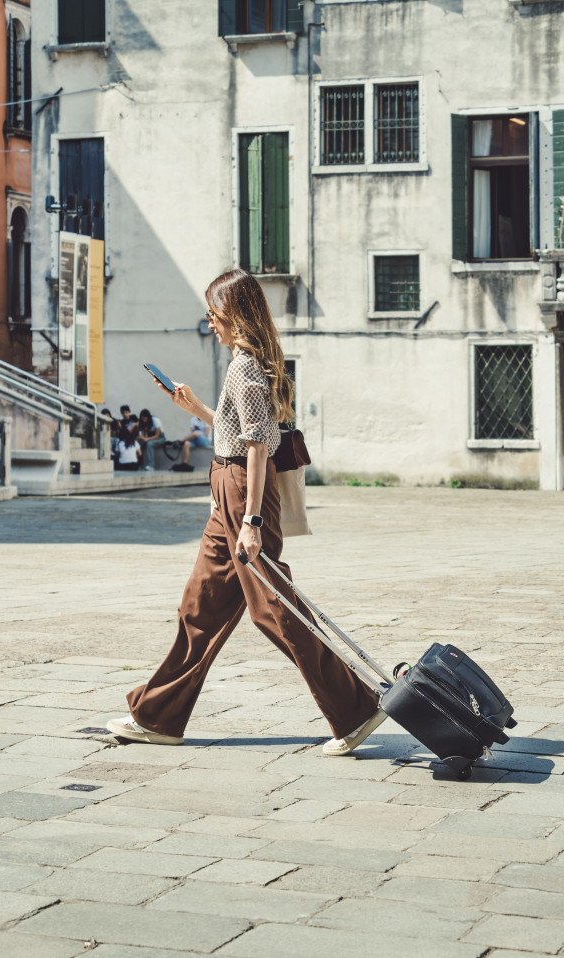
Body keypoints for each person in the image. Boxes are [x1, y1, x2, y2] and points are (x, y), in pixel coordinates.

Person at [105, 268, 383, 756]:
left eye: (215, 314)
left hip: (241, 494)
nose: (210, 322)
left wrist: (252, 521)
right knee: (200, 605)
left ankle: (355, 710)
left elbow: (259, 445)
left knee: (273, 608)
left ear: (236, 315)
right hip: (229, 489)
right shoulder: (244, 364)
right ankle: (158, 716)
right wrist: (197, 410)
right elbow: (240, 433)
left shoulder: (245, 367)